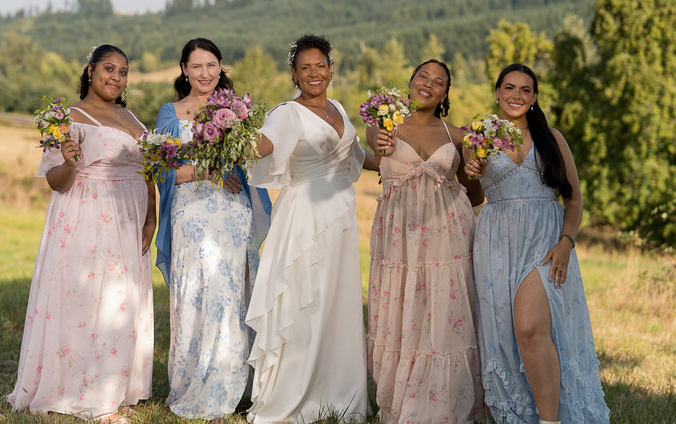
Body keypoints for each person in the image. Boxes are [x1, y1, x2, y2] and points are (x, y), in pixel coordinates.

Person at [7, 44, 155, 424]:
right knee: (93, 300)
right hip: (89, 216)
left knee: (122, 301)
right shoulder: (70, 117)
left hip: (130, 214)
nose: (116, 77)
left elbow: (149, 169)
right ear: (90, 70)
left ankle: (118, 384)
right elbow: (56, 181)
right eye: (109, 68)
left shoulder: (132, 117)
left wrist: (151, 216)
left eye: (123, 71)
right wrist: (71, 162)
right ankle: (87, 391)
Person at [245, 34, 379, 424]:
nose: (314, 73)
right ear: (294, 74)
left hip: (339, 216)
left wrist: (399, 165)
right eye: (305, 67)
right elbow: (263, 147)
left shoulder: (338, 107)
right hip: (304, 219)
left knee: (336, 302)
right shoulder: (287, 113)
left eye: (320, 65)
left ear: (331, 69)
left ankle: (338, 392)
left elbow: (355, 155)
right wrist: (226, 136)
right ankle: (294, 392)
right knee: (303, 302)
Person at [466, 63, 609, 424]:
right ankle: (519, 414)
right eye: (509, 88)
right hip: (496, 242)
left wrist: (566, 242)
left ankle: (550, 420)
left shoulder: (552, 138)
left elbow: (573, 199)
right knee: (506, 335)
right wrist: (473, 170)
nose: (516, 95)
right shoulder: (479, 136)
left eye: (525, 90)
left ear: (534, 98)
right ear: (497, 92)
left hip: (544, 241)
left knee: (530, 327)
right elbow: (473, 196)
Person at [154, 37, 271, 419]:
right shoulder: (170, 114)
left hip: (233, 209)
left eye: (211, 65)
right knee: (202, 289)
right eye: (196, 66)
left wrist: (236, 157)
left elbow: (252, 156)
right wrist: (210, 171)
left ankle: (240, 385)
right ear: (184, 70)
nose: (205, 73)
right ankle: (199, 382)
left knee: (236, 290)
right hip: (192, 212)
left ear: (221, 67)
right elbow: (164, 169)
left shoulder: (235, 110)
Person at [366, 59, 486, 424]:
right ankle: (404, 405)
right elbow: (377, 143)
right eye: (423, 76)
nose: (428, 84)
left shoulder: (457, 135)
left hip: (448, 235)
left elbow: (475, 195)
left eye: (439, 82)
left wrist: (474, 167)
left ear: (445, 93)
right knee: (403, 313)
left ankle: (443, 407)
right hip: (398, 239)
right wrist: (381, 139)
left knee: (443, 317)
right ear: (411, 80)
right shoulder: (383, 124)